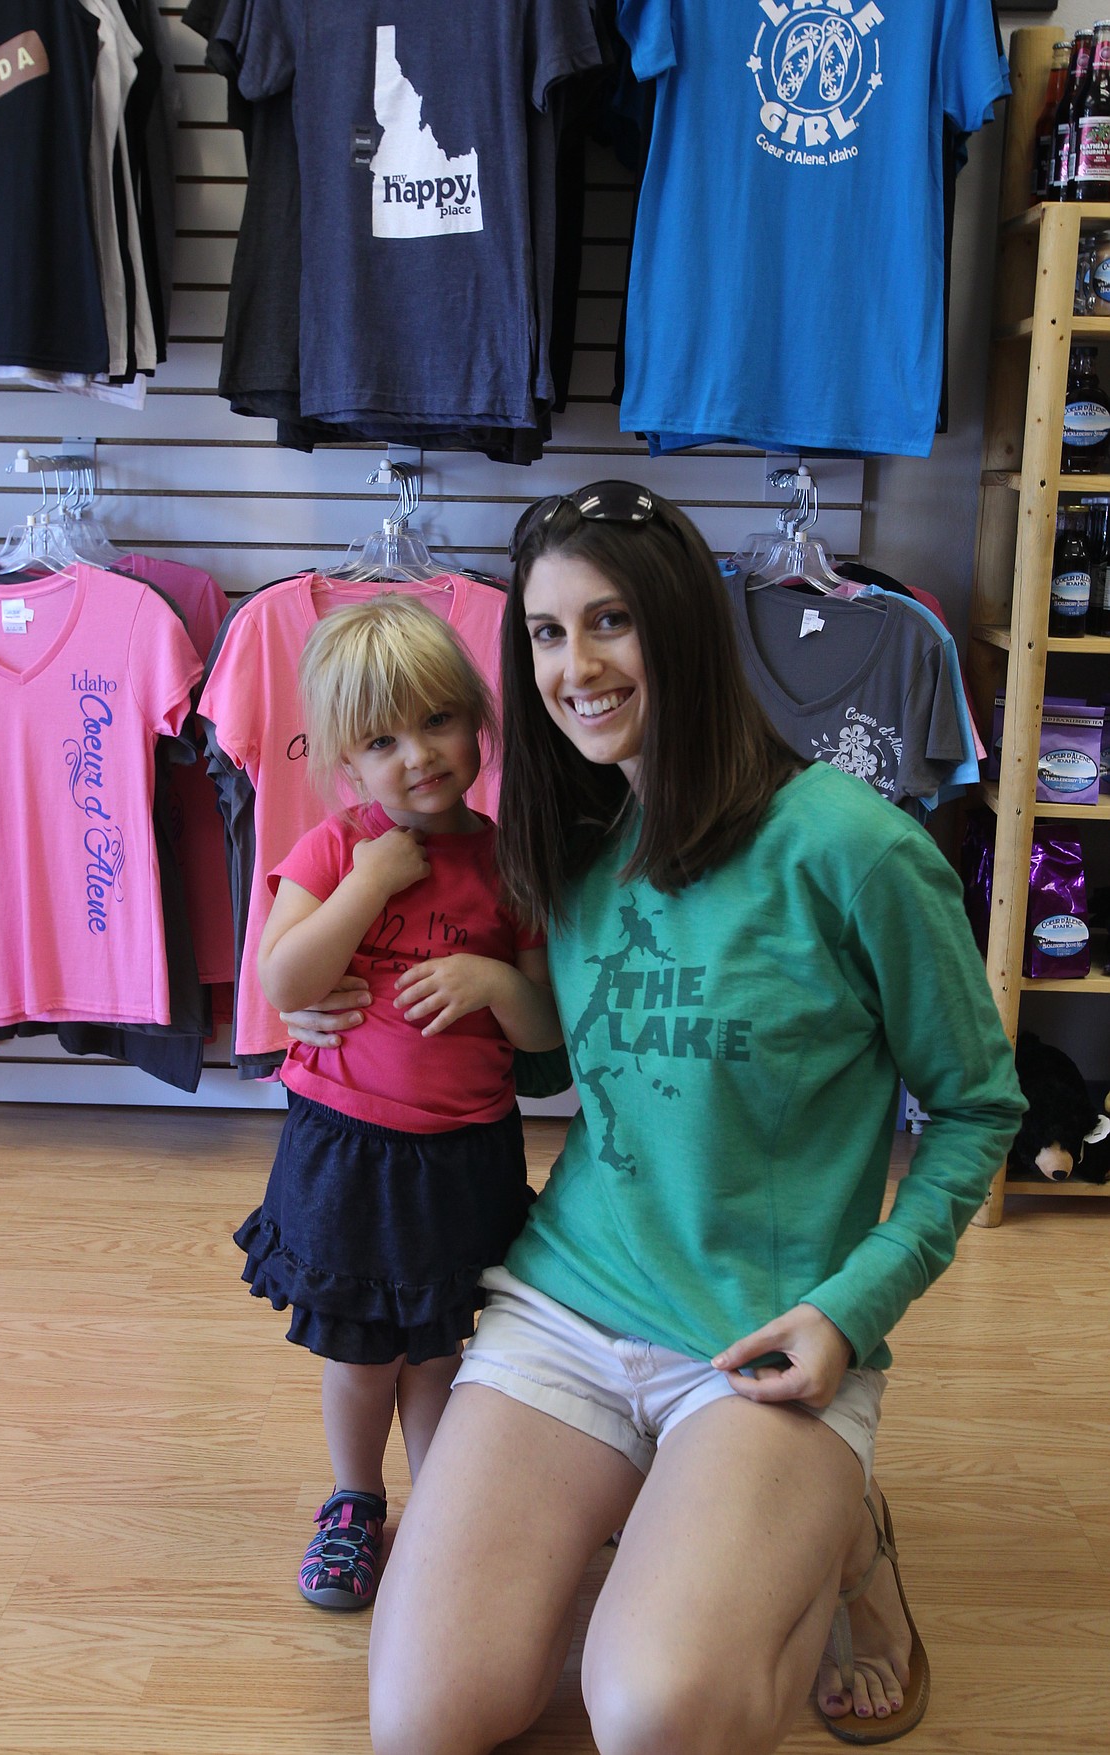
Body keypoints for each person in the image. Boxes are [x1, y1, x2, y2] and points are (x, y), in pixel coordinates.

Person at [291, 483, 1025, 1752]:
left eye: (611, 620)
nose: (577, 666)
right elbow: (548, 1047)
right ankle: (683, 1527)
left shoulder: (855, 851)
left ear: (684, 622)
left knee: (656, 1713)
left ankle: (847, 1546)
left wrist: (857, 1308)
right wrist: (328, 1000)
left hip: (766, 1333)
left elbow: (975, 1109)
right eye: (545, 633)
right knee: (427, 1718)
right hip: (569, 1302)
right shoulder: (572, 842)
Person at [237, 593, 562, 1612]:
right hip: (347, 1153)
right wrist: (369, 885)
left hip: (462, 1157)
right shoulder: (337, 849)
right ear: (345, 759)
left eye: (436, 721)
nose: (417, 755)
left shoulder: (510, 860)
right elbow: (284, 984)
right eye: (382, 739)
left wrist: (496, 986)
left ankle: (445, 1511)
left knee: (439, 1347)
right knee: (359, 1350)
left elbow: (548, 1027)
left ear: (478, 722)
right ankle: (353, 1502)